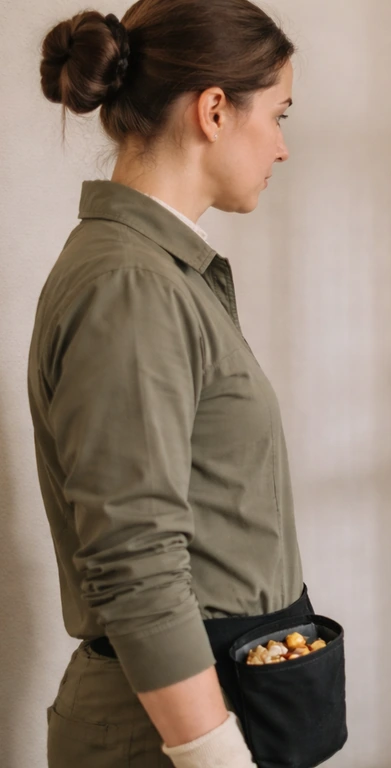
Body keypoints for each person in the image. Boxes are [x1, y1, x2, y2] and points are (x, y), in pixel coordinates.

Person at [30, 1, 302, 766]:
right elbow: (133, 557)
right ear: (214, 109)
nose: (282, 147)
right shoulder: (129, 285)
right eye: (278, 114)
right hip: (168, 733)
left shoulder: (162, 275)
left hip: (208, 706)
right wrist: (214, 756)